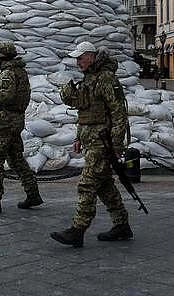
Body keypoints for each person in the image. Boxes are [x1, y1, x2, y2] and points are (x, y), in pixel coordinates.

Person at [51, 41, 132, 247]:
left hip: (103, 143)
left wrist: (116, 143)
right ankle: (121, 224)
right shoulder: (89, 79)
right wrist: (79, 137)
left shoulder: (105, 79)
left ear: (91, 57)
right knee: (104, 186)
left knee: (87, 184)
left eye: (80, 58)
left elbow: (118, 112)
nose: (77, 62)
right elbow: (85, 112)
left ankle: (78, 229)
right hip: (92, 140)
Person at [0, 41, 43, 214]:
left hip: (4, 121)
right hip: (16, 119)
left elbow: (6, 96)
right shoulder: (21, 72)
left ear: (0, 57)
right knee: (15, 158)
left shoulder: (7, 73)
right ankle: (33, 193)